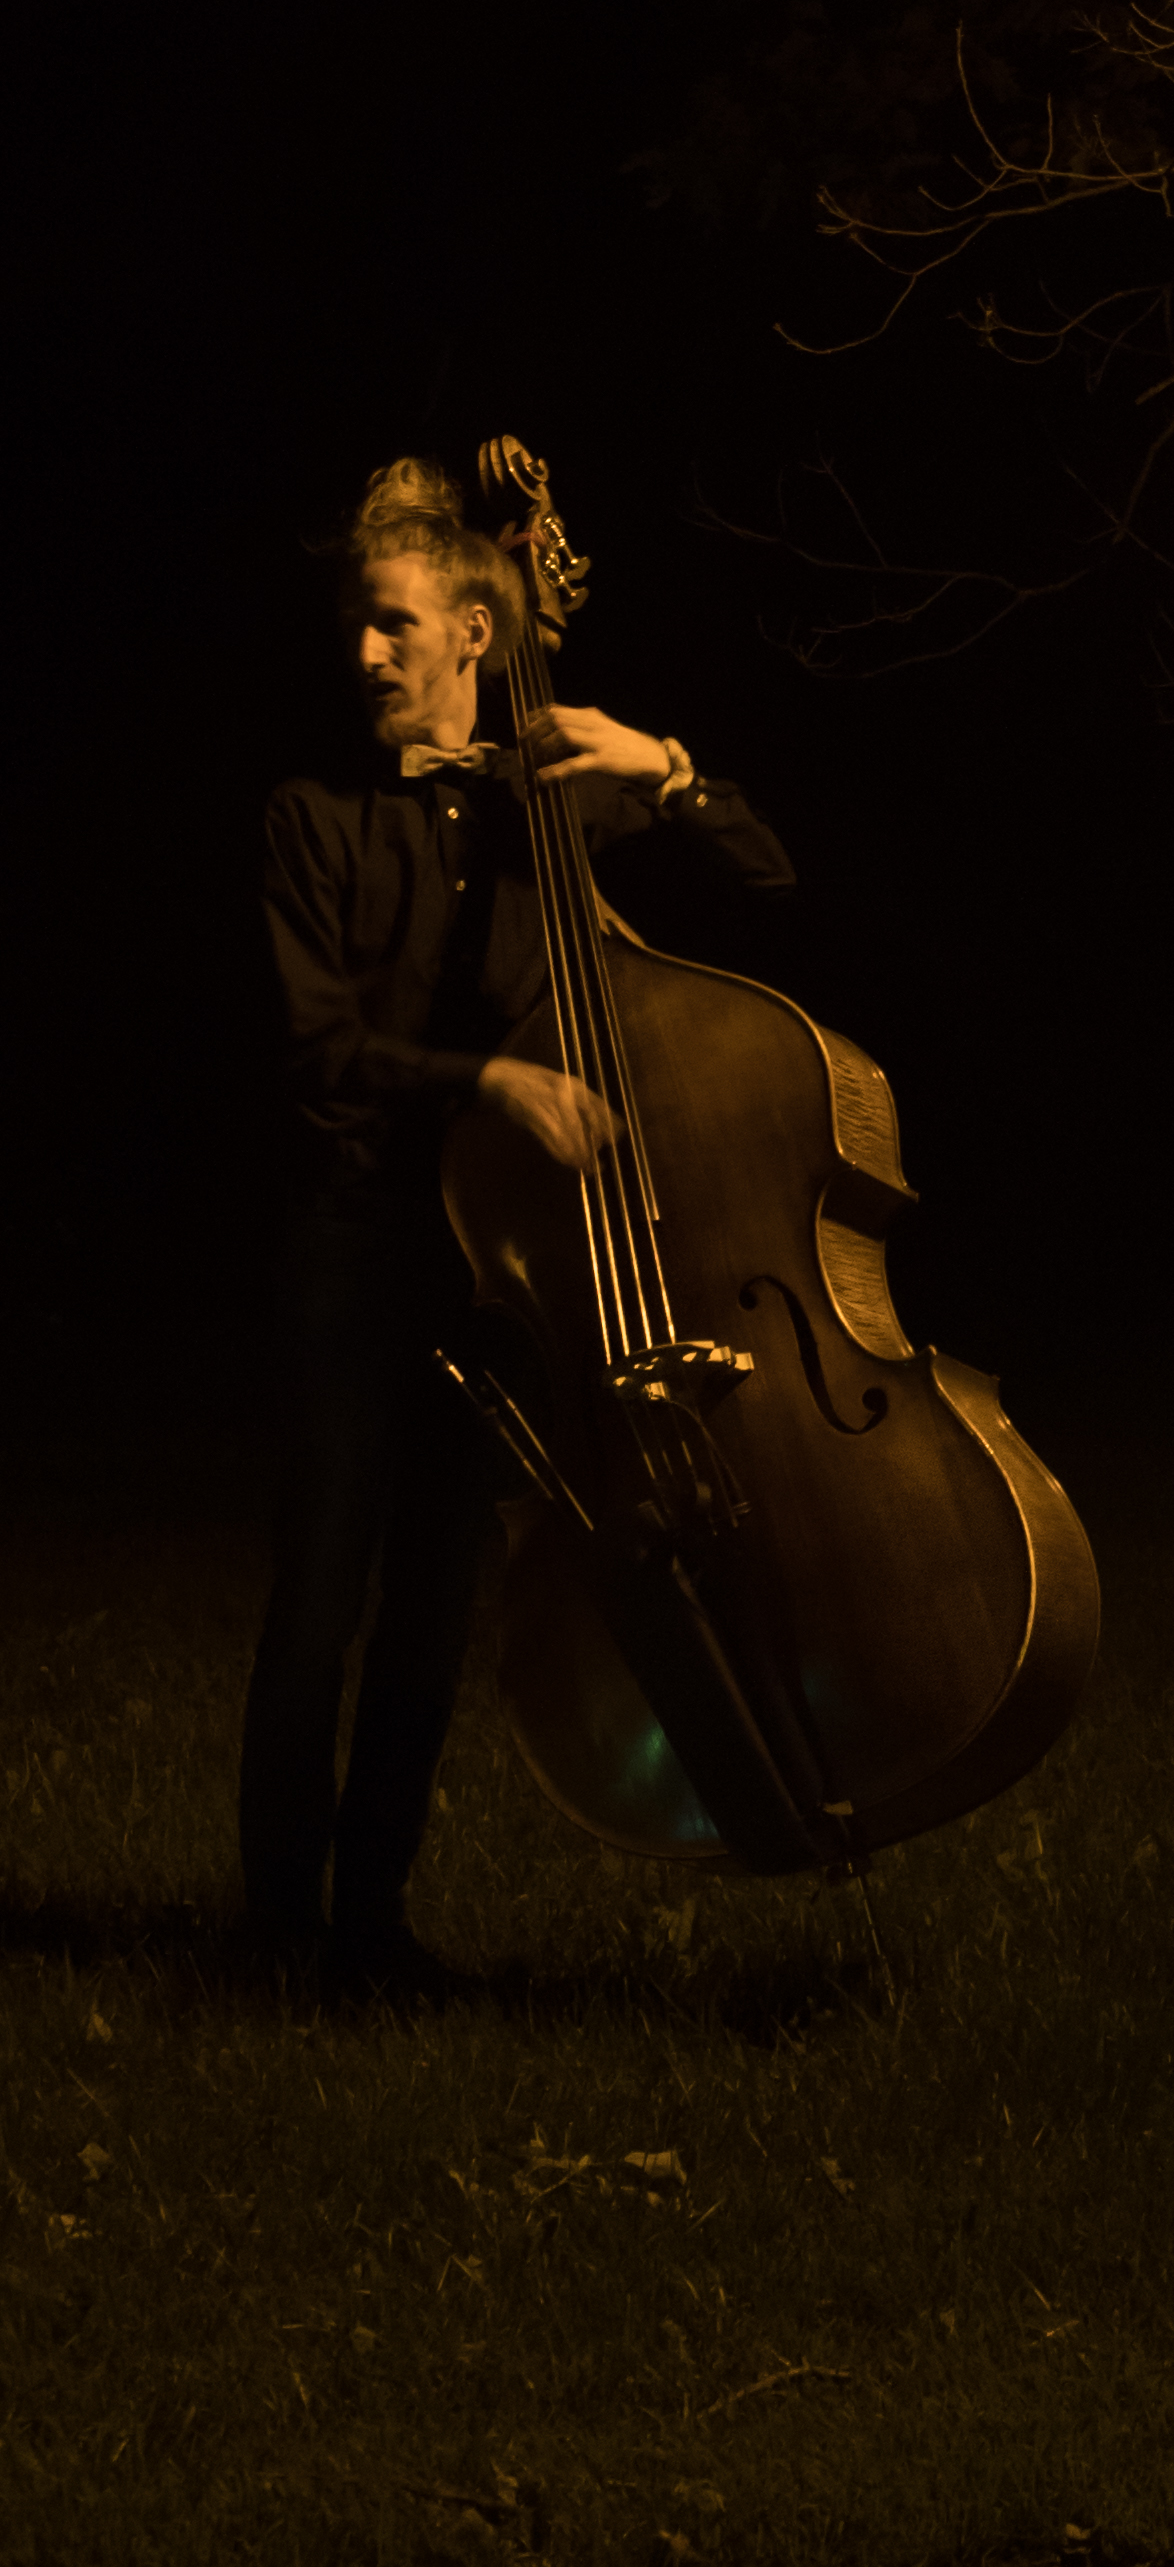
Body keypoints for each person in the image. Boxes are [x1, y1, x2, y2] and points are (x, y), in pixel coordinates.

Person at [241, 455, 793, 2002]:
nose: (363, 653)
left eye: (395, 625)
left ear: (481, 634)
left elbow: (770, 881)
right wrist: (493, 1075)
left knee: (429, 1609)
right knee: (320, 1599)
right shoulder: (310, 815)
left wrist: (665, 767)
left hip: (504, 1264)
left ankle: (374, 1927)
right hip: (354, 1250)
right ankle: (275, 1931)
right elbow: (318, 1051)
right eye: (357, 626)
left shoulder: (544, 815)